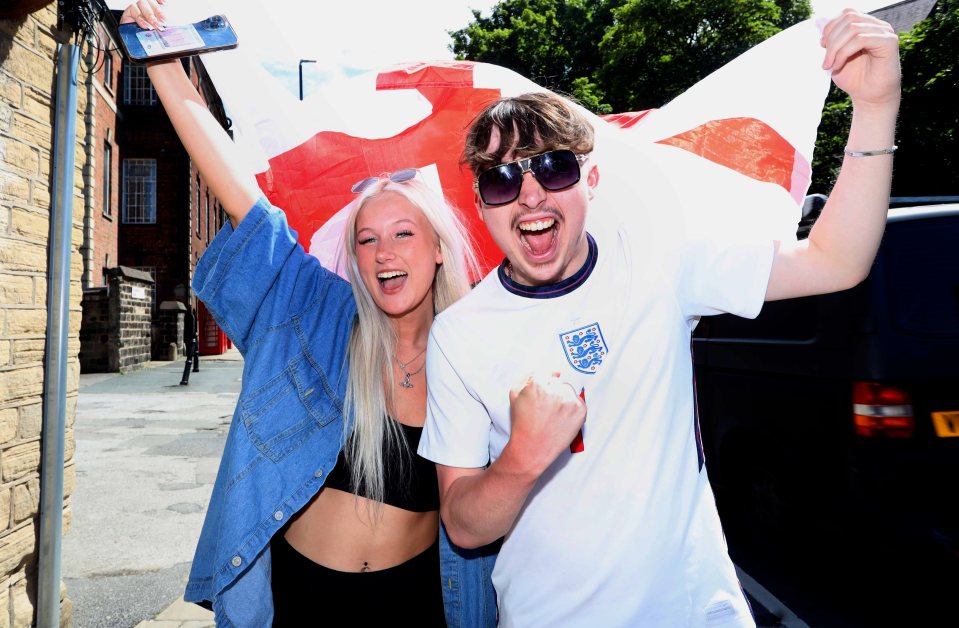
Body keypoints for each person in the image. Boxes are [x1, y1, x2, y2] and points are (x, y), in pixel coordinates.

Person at [418, 8, 900, 627]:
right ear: (481, 203)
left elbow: (837, 260)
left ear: (590, 178)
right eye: (503, 177)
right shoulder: (459, 334)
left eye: (554, 167)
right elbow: (462, 525)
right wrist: (523, 457)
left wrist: (876, 106)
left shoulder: (660, 261)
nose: (531, 193)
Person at [118, 2, 497, 626]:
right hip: (301, 601)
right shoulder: (317, 312)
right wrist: (162, 61)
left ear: (437, 248)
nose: (383, 253)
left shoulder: (479, 352)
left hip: (422, 604)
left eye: (403, 234)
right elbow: (241, 196)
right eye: (367, 240)